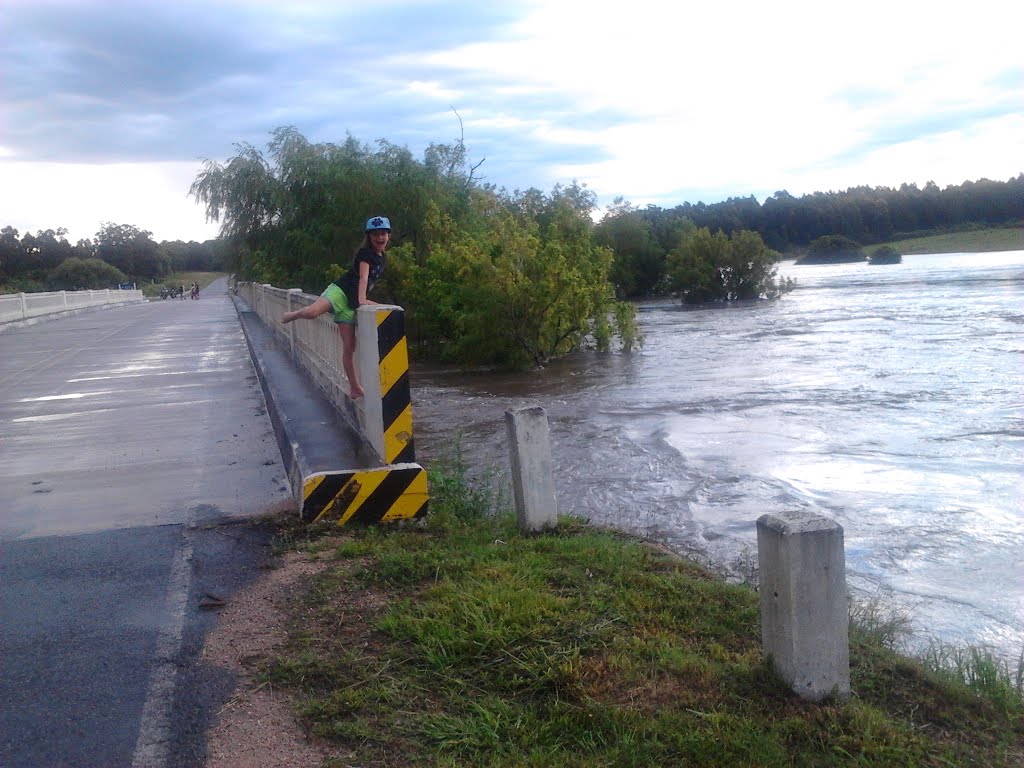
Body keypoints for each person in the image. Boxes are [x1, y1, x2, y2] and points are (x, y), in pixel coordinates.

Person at [281, 216, 391, 399]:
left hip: (350, 305)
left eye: (383, 234)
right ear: (369, 236)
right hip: (339, 292)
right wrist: (363, 299)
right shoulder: (365, 255)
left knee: (350, 347)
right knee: (312, 312)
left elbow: (368, 281)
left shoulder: (383, 258)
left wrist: (360, 300)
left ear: (389, 235)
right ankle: (293, 314)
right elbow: (363, 278)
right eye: (375, 235)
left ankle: (355, 387)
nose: (380, 238)